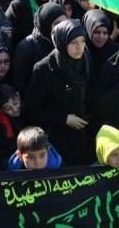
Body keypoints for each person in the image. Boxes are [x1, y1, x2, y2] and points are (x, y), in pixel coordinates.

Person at [26, 19, 94, 165]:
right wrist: (64, 118)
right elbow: (32, 110)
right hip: (56, 139)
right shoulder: (44, 68)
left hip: (82, 134)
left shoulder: (85, 60)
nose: (79, 47)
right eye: (73, 42)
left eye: (82, 41)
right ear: (62, 42)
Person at [0, 83, 22, 170]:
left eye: (15, 104)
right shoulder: (1, 126)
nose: (14, 109)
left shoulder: (28, 112)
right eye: (8, 108)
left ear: (18, 96)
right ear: (0, 110)